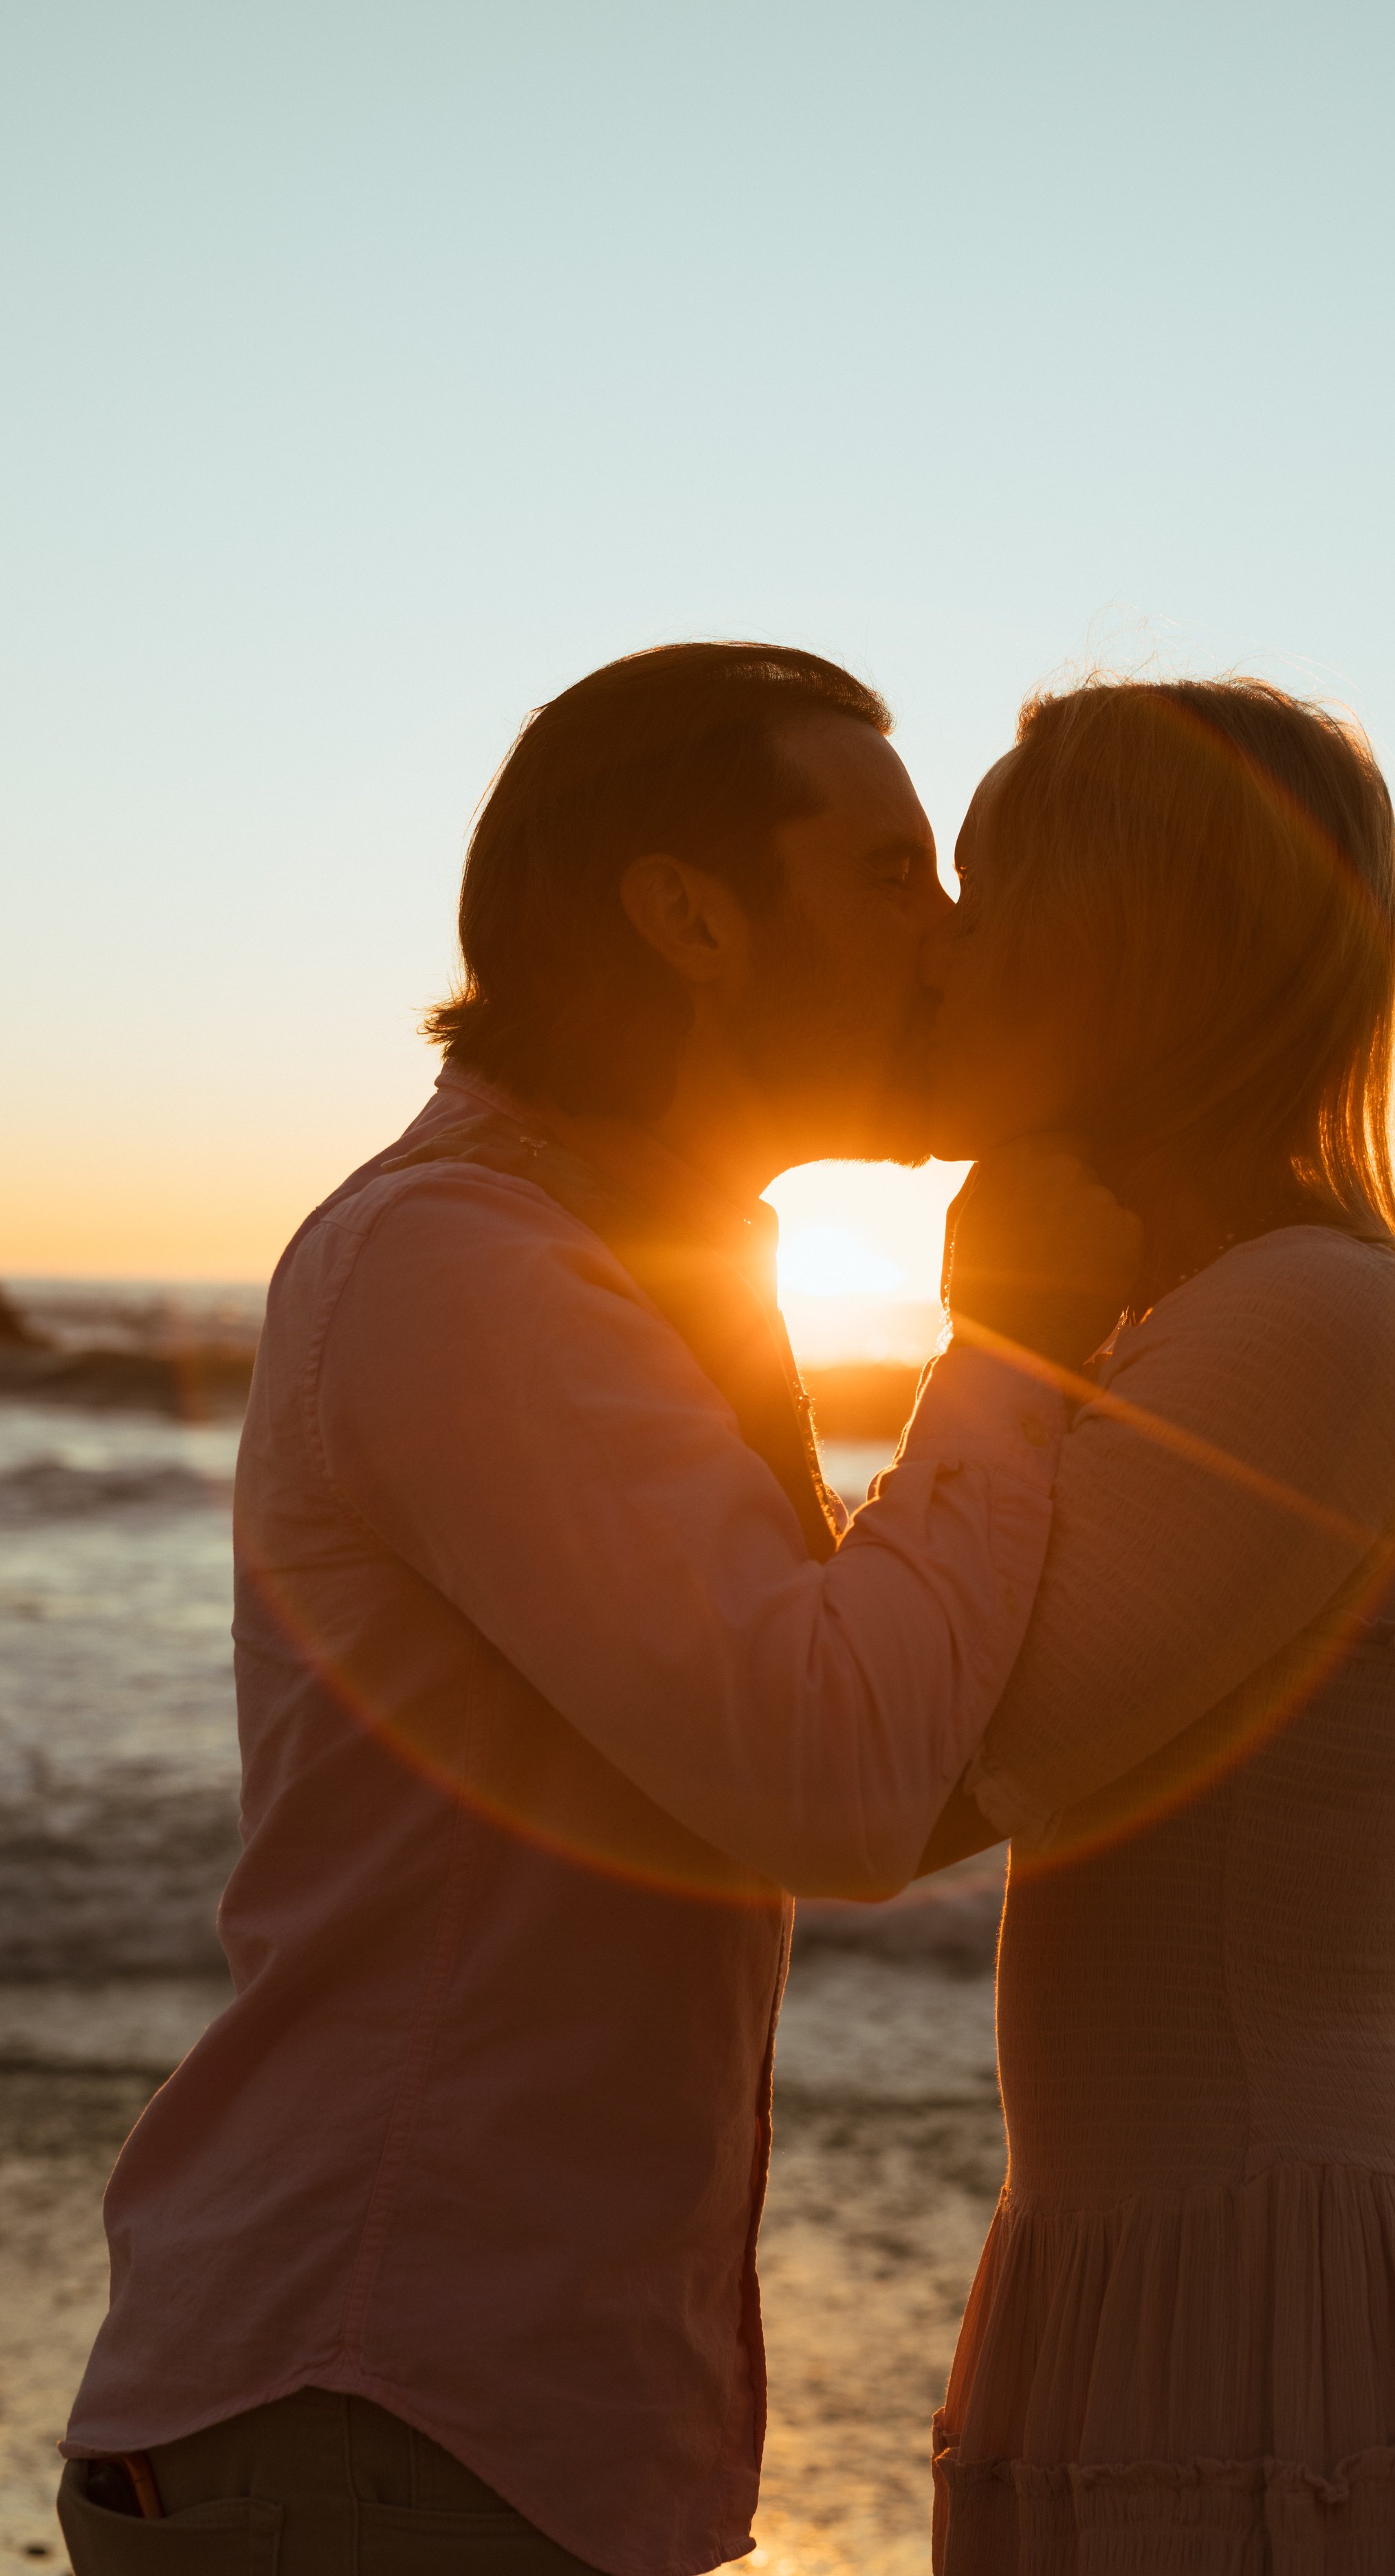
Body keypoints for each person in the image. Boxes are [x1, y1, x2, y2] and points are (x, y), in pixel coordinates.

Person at [59, 642, 1141, 2576]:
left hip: (475, 2428)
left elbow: (882, 1744)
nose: (953, 938)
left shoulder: (655, 1275)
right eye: (892, 872)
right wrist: (1014, 1335)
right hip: (374, 2417)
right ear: (687, 913)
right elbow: (830, 1772)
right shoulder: (463, 1270)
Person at [916, 676, 1395, 2573]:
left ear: (1122, 947)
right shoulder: (1211, 1325)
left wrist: (980, 1336)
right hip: (1157, 2273)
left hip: (1261, 2324)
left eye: (990, 892)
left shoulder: (1313, 1322)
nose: (941, 943)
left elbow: (914, 1768)